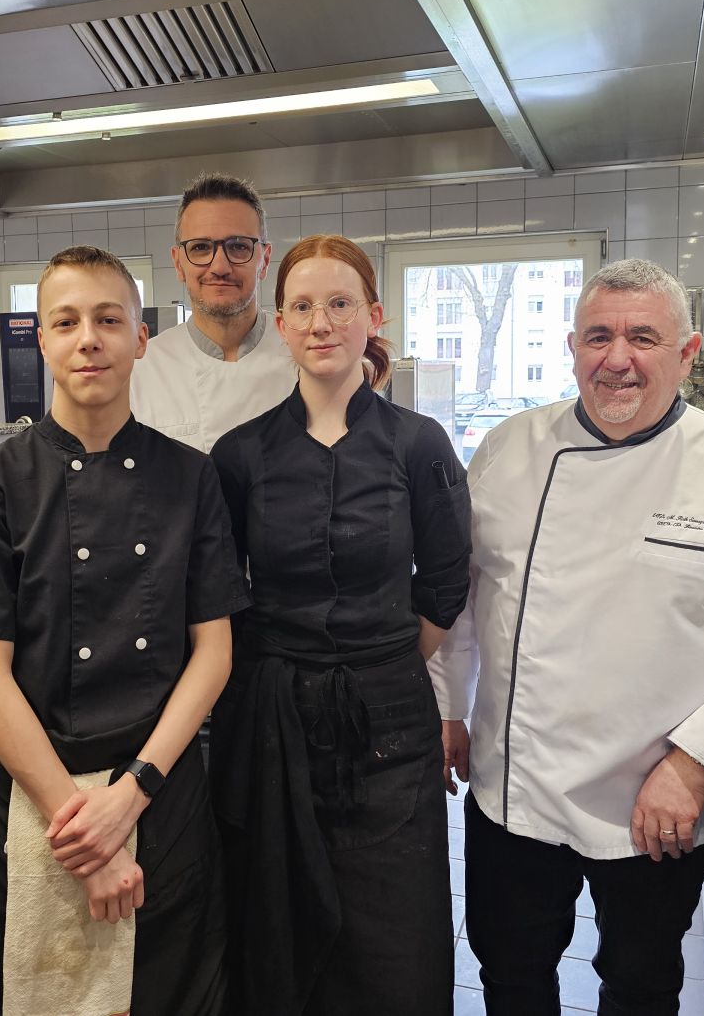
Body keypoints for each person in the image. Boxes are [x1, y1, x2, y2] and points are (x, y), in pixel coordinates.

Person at [431, 258, 704, 1016]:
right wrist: (449, 705)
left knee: (641, 984)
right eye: (598, 337)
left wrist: (695, 760)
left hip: (658, 798)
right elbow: (463, 594)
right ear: (572, 348)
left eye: (642, 338)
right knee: (510, 974)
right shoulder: (508, 449)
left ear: (686, 354)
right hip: (515, 785)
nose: (616, 358)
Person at [0, 246, 249, 1015]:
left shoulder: (190, 476)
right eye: (66, 322)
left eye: (108, 319)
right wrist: (83, 830)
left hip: (163, 799)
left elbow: (214, 652)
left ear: (141, 337)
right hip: (42, 804)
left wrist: (131, 795)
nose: (88, 339)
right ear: (42, 339)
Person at [209, 234, 472, 1016]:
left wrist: (378, 660)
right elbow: (220, 592)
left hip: (390, 730)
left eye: (339, 303)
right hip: (273, 725)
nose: (320, 321)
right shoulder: (240, 455)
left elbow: (446, 581)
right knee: (280, 935)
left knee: (394, 945)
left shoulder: (419, 445)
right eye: (302, 306)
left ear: (373, 316)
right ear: (282, 323)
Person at [129, 173, 299, 452]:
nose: (219, 266)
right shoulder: (142, 371)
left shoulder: (303, 358)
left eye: (239, 247)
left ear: (265, 260)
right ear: (178, 263)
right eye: (200, 248)